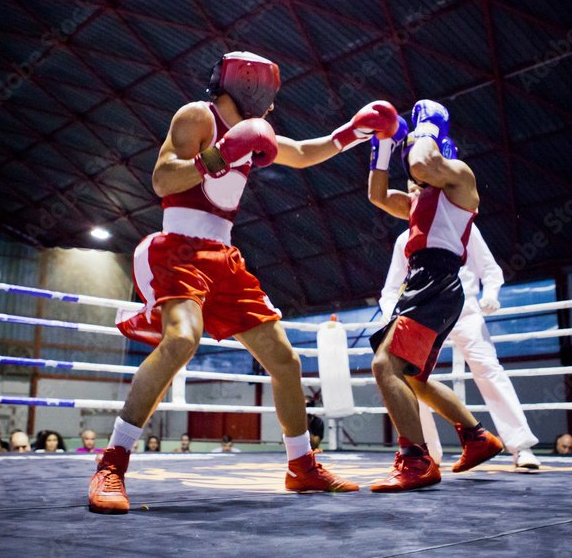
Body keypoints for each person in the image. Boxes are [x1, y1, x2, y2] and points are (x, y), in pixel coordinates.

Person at [93, 51, 386, 513]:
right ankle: (112, 463)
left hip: (224, 260)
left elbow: (308, 152)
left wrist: (353, 131)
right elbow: (162, 179)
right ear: (259, 92)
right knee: (182, 340)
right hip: (180, 249)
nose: (271, 109)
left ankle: (301, 465)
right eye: (271, 98)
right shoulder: (197, 116)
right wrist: (218, 155)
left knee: (285, 361)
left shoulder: (257, 136)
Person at [365, 99, 504, 492]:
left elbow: (423, 165)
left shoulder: (460, 179)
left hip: (437, 282)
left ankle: (415, 460)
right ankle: (477, 438)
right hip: (428, 284)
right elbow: (377, 195)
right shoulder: (416, 202)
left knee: (385, 366)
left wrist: (426, 126)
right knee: (414, 377)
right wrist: (384, 145)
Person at [379, 179, 541, 470]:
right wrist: (392, 315)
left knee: (488, 369)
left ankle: (521, 446)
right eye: (410, 191)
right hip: (423, 314)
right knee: (410, 378)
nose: (415, 196)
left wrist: (490, 295)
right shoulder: (405, 239)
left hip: (464, 309)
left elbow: (490, 269)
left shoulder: (461, 224)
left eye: (420, 190)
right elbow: (391, 289)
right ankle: (429, 453)